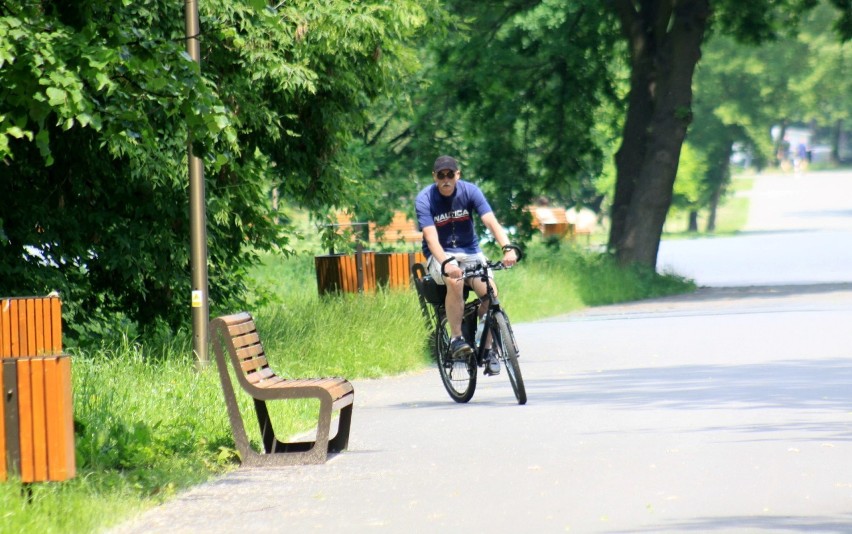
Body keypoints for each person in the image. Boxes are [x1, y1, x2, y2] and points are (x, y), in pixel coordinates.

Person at [415, 155, 519, 375]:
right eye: (441, 175)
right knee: (455, 279)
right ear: (434, 176)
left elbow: (490, 221)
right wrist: (447, 263)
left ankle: (488, 348)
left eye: (450, 174)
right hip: (440, 255)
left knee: (491, 294)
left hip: (471, 252)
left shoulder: (470, 191)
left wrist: (507, 248)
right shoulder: (425, 199)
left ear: (457, 175)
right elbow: (431, 239)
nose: (446, 179)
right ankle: (456, 339)